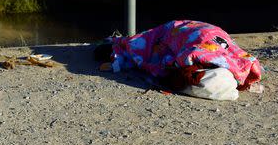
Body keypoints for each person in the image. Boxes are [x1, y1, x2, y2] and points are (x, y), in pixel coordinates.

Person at [94, 20, 262, 100]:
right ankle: (126, 45)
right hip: (196, 34)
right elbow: (236, 56)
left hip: (192, 34)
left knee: (155, 46)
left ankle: (127, 45)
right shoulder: (236, 68)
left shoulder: (235, 73)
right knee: (154, 43)